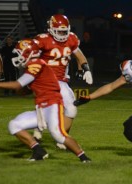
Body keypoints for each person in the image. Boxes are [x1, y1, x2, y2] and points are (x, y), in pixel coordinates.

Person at [0, 39, 91, 163]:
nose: (18, 56)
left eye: (19, 53)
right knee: (14, 125)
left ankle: (84, 158)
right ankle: (38, 151)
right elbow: (24, 90)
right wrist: (21, 89)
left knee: (58, 135)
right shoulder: (33, 65)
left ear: (28, 53)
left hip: (52, 106)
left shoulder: (37, 63)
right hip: (42, 109)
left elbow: (18, 85)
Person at [33, 14, 93, 149]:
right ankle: (38, 127)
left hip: (61, 80)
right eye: (59, 31)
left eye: (64, 31)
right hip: (44, 80)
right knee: (48, 107)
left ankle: (62, 138)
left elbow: (79, 55)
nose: (62, 34)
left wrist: (86, 69)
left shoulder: (71, 39)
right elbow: (30, 56)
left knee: (71, 109)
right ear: (51, 29)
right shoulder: (42, 40)